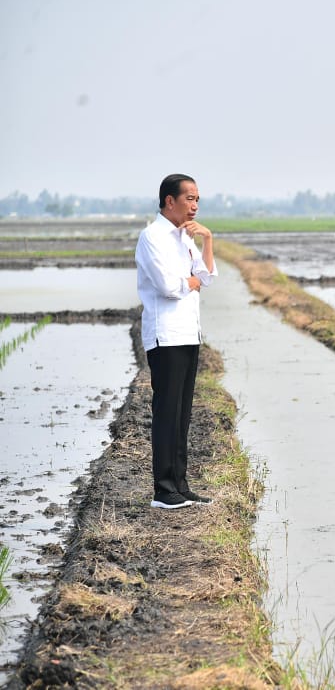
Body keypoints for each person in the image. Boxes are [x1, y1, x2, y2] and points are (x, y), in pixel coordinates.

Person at [135, 173, 216, 509]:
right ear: (170, 201)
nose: (194, 206)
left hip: (187, 332)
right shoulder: (151, 237)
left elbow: (207, 277)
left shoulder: (186, 237)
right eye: (190, 199)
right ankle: (163, 491)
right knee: (167, 411)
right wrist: (193, 280)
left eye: (198, 200)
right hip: (165, 335)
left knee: (182, 413)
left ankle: (180, 485)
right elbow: (169, 287)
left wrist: (207, 240)